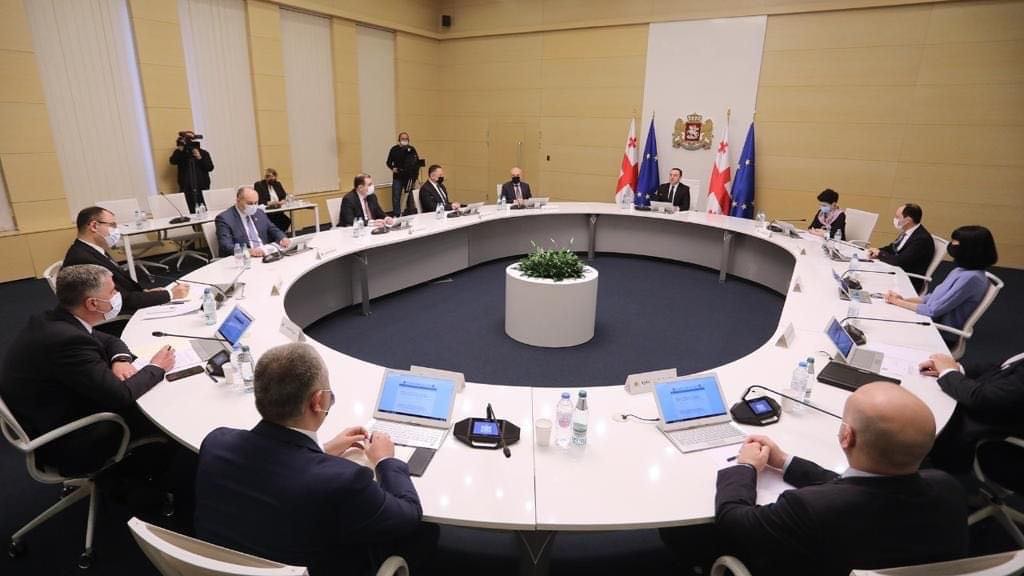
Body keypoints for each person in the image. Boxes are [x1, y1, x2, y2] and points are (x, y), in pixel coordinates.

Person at [194, 343, 436, 576]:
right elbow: (408, 515)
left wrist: (321, 451)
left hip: (221, 567)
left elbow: (278, 470)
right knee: (427, 533)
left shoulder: (216, 444)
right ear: (317, 401)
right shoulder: (344, 480)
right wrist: (385, 461)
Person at [709, 382, 967, 575]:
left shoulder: (809, 508)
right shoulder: (948, 487)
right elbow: (864, 486)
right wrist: (785, 461)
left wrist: (746, 467)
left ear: (846, 436)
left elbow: (733, 521)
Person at [0, 265, 175, 475]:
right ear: (92, 303)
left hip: (49, 410)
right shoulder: (67, 341)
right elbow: (121, 395)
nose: (118, 295)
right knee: (161, 410)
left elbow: (109, 340)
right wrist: (157, 366)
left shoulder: (57, 319)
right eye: (112, 292)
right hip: (68, 440)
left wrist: (120, 359)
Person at [63, 207, 189, 316]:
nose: (116, 230)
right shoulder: (82, 259)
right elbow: (119, 300)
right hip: (117, 315)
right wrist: (169, 294)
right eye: (112, 225)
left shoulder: (92, 250)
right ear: (94, 226)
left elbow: (120, 287)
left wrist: (146, 294)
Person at [884, 225, 996, 343]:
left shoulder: (971, 278)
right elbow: (932, 298)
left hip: (939, 333)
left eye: (955, 242)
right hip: (929, 322)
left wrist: (897, 302)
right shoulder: (960, 270)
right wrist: (903, 300)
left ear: (971, 249)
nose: (952, 245)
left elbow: (933, 311)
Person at [920, 351, 1024, 474]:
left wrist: (948, 372)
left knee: (914, 414)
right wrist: (955, 369)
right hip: (987, 401)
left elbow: (983, 399)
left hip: (982, 426)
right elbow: (1004, 366)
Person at [867, 204, 934, 293]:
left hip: (907, 280)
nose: (895, 219)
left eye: (897, 217)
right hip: (896, 272)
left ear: (907, 220)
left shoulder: (921, 239)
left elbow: (898, 261)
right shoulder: (908, 231)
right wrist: (877, 250)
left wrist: (880, 254)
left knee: (870, 282)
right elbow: (892, 248)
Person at [214, 186, 290, 257]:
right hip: (244, 257)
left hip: (264, 253)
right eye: (249, 203)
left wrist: (282, 238)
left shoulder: (259, 213)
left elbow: (272, 229)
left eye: (256, 203)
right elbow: (225, 246)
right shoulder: (225, 218)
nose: (253, 206)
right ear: (238, 201)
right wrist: (249, 251)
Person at [169, 131, 214, 214]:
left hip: (202, 187)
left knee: (204, 209)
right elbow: (172, 161)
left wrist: (199, 157)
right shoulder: (181, 153)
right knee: (189, 210)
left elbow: (210, 167)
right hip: (186, 188)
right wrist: (180, 150)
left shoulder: (203, 153)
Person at [386, 132, 419, 216]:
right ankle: (397, 214)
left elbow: (416, 163)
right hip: (398, 177)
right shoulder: (394, 149)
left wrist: (415, 177)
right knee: (396, 196)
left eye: (406, 139)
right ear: (399, 140)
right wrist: (393, 168)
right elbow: (388, 162)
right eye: (403, 139)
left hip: (409, 177)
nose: (405, 140)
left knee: (410, 196)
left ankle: (411, 214)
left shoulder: (412, 149)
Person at [253, 168, 291, 233]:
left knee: (287, 221)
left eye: (272, 176)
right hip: (267, 212)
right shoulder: (259, 185)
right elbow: (260, 201)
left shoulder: (277, 184)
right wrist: (271, 203)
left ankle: (279, 235)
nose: (270, 178)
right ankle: (276, 235)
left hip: (278, 210)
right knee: (276, 223)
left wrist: (282, 201)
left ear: (275, 177)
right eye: (268, 176)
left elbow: (283, 196)